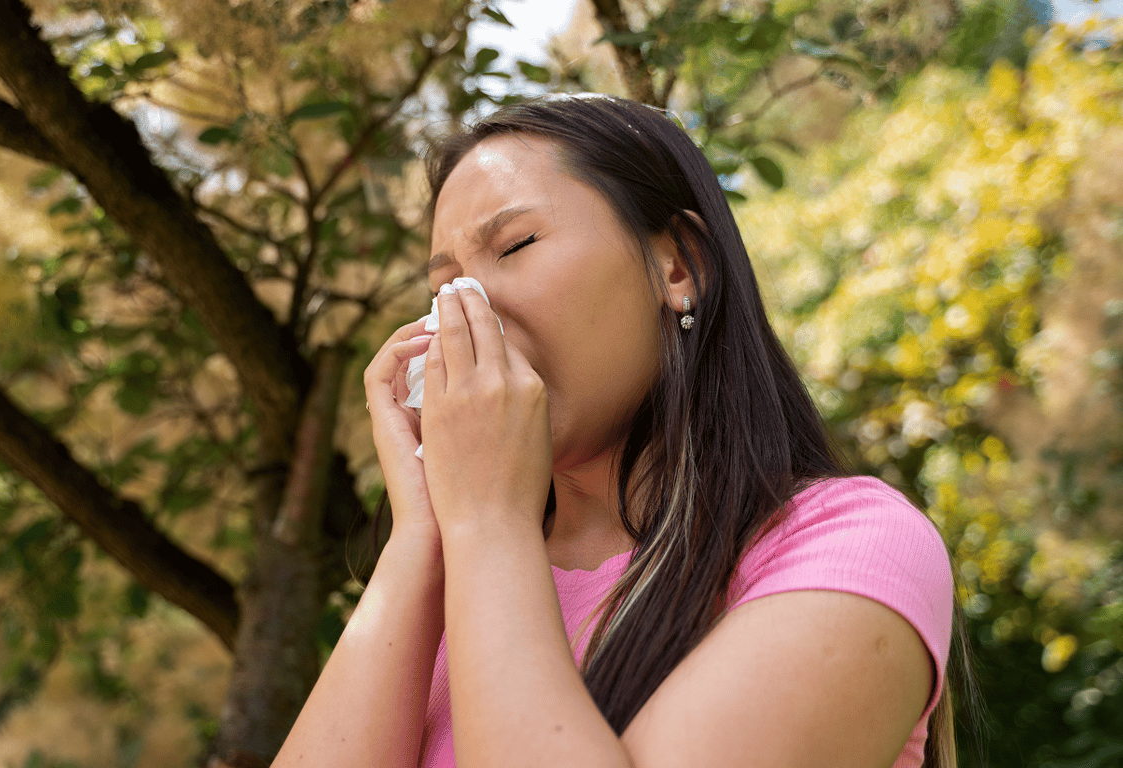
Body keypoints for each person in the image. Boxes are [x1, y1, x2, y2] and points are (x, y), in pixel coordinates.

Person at [271, 93, 969, 768]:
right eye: (444, 285)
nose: (463, 310)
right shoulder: (452, 589)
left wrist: (487, 522)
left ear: (678, 265)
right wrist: (421, 534)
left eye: (515, 245)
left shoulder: (851, 546)